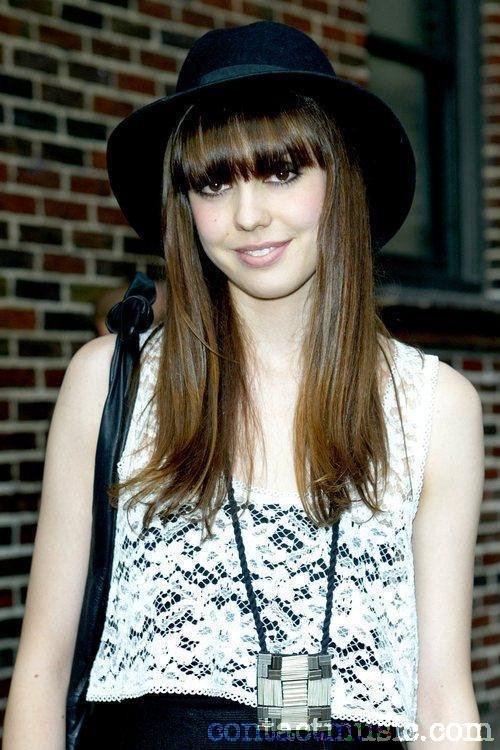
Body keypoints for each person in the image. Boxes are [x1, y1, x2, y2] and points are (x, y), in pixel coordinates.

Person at [3, 20, 485, 750]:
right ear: (184, 204)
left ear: (342, 180)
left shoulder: (433, 408)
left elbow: (442, 692)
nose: (249, 215)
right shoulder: (109, 383)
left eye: (283, 172)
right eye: (215, 182)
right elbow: (41, 671)